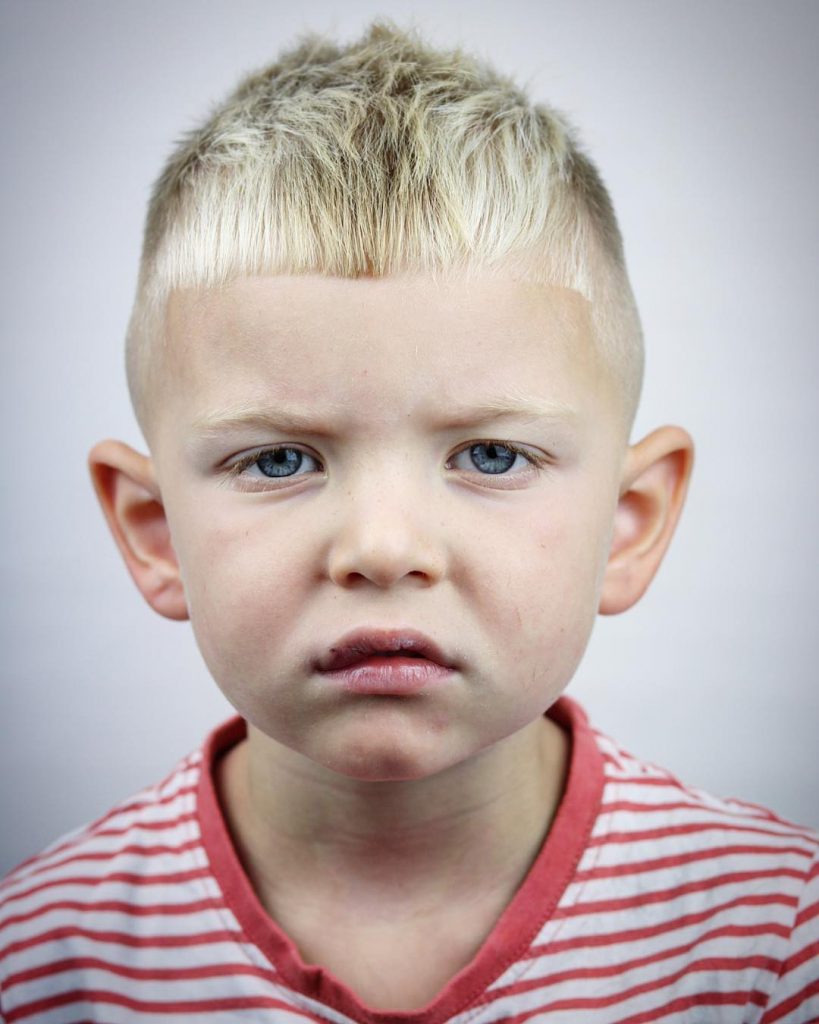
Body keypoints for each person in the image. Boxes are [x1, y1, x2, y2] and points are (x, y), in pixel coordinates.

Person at [1, 19, 816, 1023]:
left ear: (630, 522)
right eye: (281, 460)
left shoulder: (776, 938)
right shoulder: (39, 962)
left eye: (489, 456)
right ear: (155, 531)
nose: (384, 549)